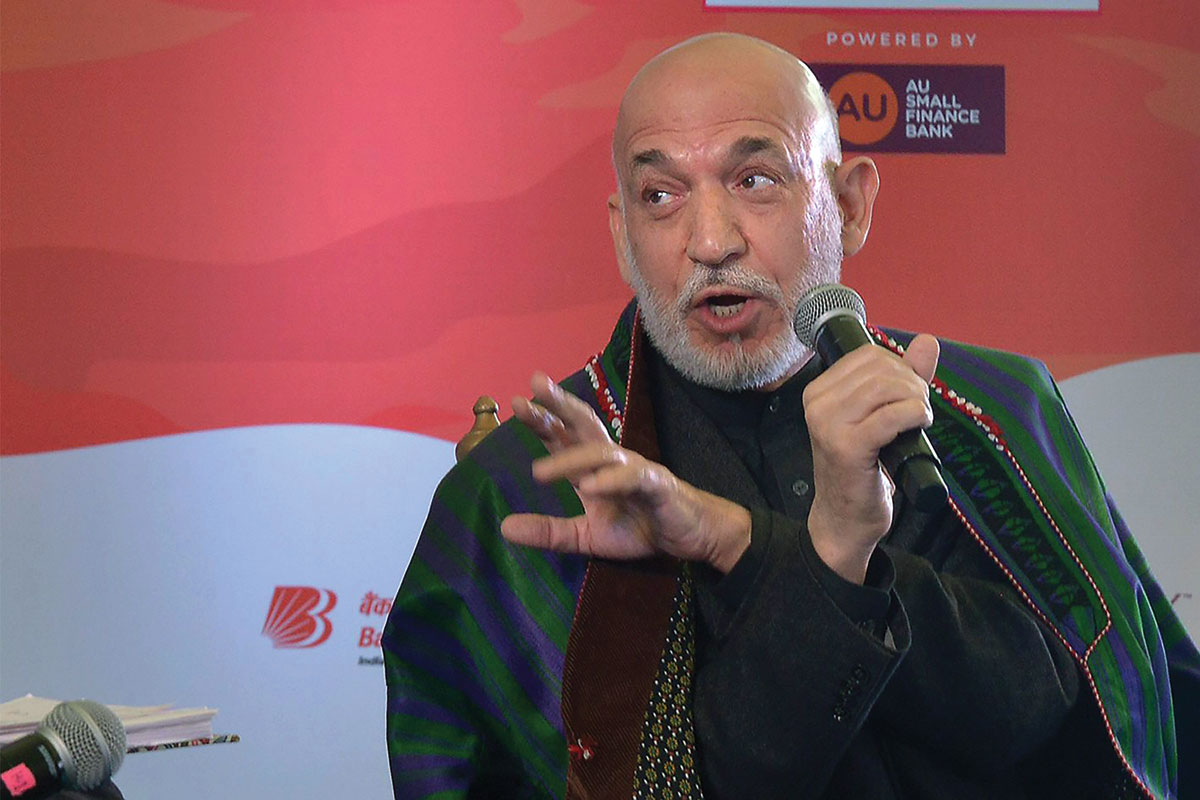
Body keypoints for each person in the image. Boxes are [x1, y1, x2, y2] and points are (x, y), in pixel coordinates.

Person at [382, 33, 1197, 799]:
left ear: (849, 205)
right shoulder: (527, 490)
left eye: (755, 180)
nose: (711, 242)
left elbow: (1058, 711)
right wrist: (826, 554)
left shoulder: (987, 412)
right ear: (623, 236)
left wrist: (746, 541)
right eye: (661, 196)